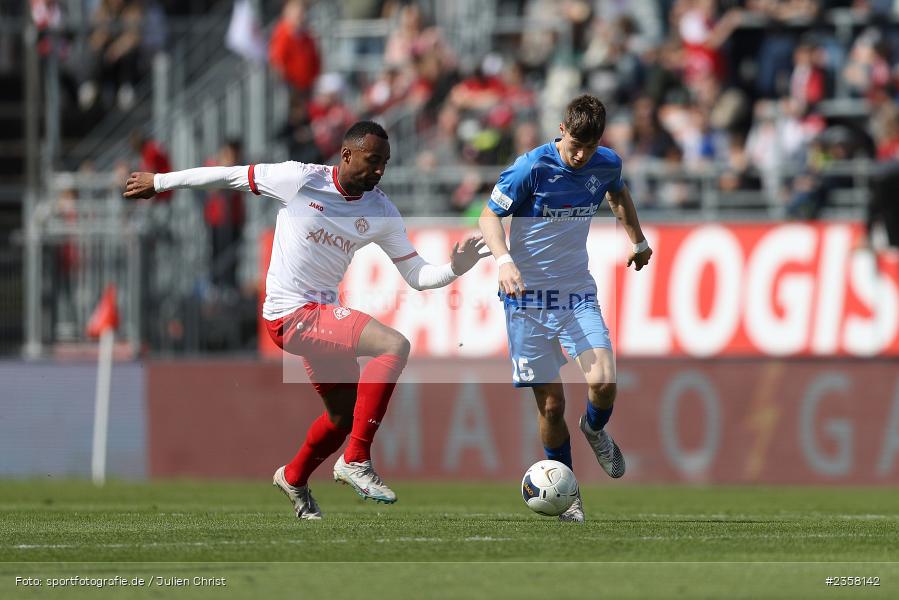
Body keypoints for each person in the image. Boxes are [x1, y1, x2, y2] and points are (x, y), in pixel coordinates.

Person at [125, 121, 488, 520]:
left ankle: (294, 477)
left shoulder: (381, 210)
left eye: (385, 162)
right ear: (346, 155)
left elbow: (417, 275)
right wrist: (159, 182)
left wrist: (455, 267)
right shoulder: (300, 179)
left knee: (341, 416)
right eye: (373, 160)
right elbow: (229, 176)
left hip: (319, 316)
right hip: (289, 313)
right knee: (394, 344)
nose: (380, 170)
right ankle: (357, 459)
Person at [478, 95, 652, 523]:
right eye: (574, 144)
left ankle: (593, 428)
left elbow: (618, 196)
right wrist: (503, 261)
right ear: (561, 129)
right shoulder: (530, 168)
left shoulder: (606, 163)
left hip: (576, 294)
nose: (580, 154)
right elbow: (487, 217)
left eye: (589, 147)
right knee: (551, 405)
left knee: (604, 380)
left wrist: (638, 240)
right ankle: (569, 496)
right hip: (527, 301)